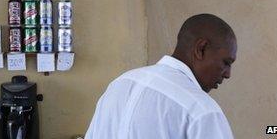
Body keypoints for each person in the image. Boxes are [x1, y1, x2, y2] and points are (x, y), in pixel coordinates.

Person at [85, 14, 237, 139]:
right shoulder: (201, 111)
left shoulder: (119, 85)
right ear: (201, 49)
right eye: (226, 62)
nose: (228, 74)